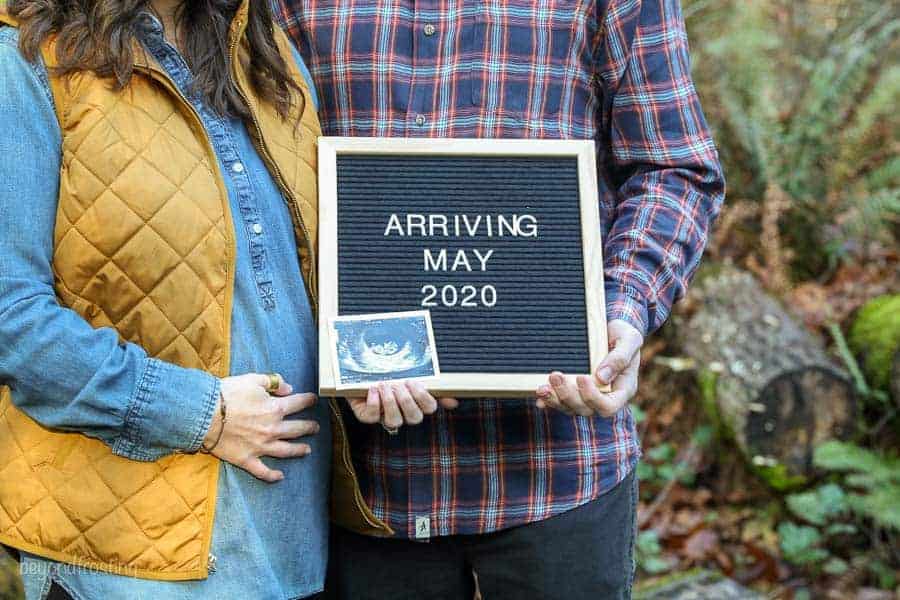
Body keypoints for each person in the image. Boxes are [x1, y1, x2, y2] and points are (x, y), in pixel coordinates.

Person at [274, 0, 725, 598]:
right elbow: (254, 173)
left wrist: (621, 307)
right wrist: (334, 351)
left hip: (559, 473)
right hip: (360, 483)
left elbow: (674, 167)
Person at [0, 0, 422, 597]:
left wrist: (374, 368)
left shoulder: (263, 49)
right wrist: (201, 414)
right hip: (125, 560)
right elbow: (11, 318)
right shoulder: (25, 61)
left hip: (287, 540)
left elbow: (305, 262)